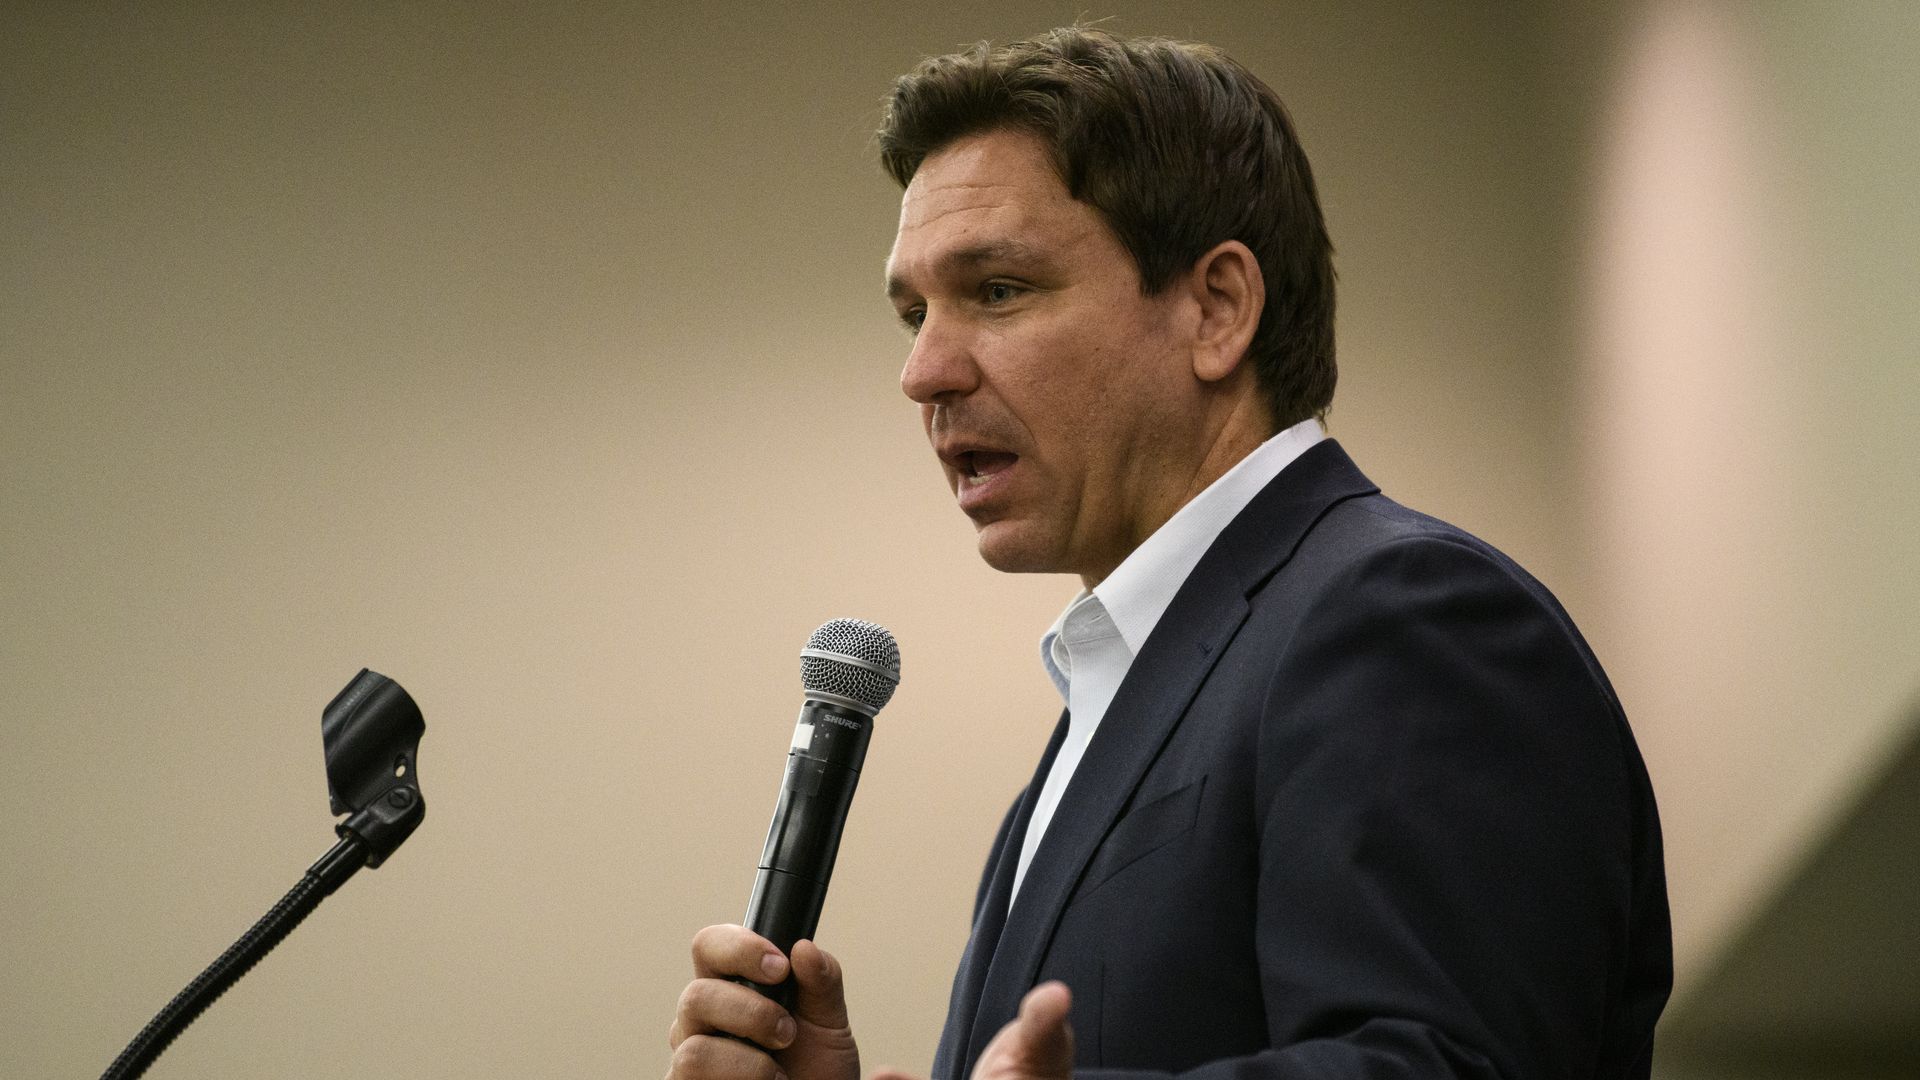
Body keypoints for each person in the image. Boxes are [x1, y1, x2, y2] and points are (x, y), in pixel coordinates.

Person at [667, 27, 1671, 1080]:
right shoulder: (1087, 735)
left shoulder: (1404, 615)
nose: (923, 371)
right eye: (914, 312)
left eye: (998, 290)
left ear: (1217, 308)